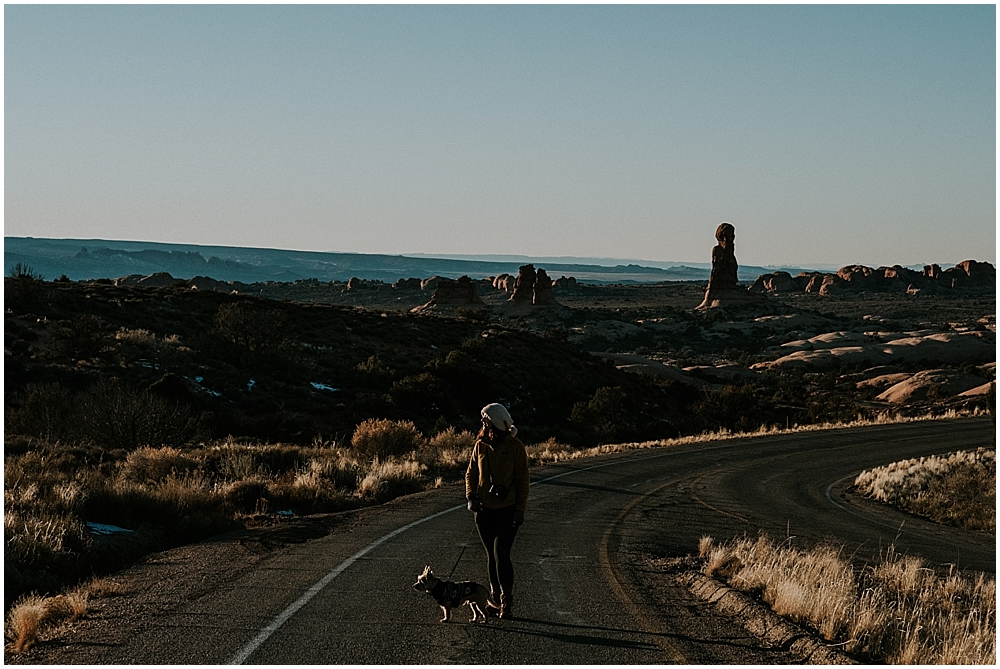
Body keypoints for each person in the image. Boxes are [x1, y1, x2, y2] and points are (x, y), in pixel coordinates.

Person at [465, 403, 529, 619]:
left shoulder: (516, 447)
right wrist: (471, 497)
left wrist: (520, 509)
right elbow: (470, 474)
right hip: (484, 510)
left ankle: (506, 602)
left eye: (486, 419)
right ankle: (493, 601)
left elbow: (523, 481)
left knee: (502, 553)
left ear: (496, 422)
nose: (483, 422)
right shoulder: (480, 446)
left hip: (508, 510)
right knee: (491, 556)